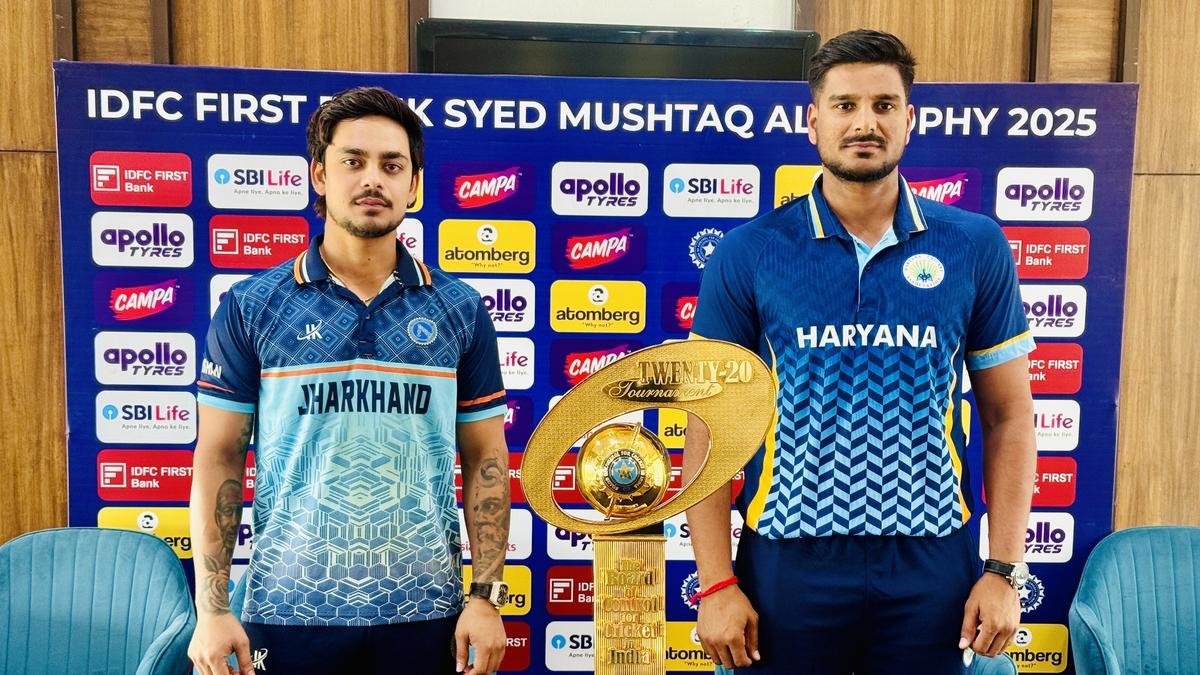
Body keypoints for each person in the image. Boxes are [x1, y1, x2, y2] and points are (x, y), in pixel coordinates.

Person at [684, 29, 1036, 674]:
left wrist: (1004, 569)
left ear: (910, 119)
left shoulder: (973, 244)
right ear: (813, 122)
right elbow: (708, 424)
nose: (864, 123)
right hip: (790, 559)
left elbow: (1008, 414)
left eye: (884, 104)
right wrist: (715, 582)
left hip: (931, 560)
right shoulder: (750, 251)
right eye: (845, 105)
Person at [188, 86, 511, 675]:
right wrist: (212, 610)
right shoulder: (252, 306)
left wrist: (485, 598)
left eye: (392, 165)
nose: (373, 180)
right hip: (286, 612)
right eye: (353, 161)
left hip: (427, 613)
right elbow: (218, 456)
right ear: (319, 174)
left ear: (414, 185)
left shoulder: (460, 309)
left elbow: (486, 457)